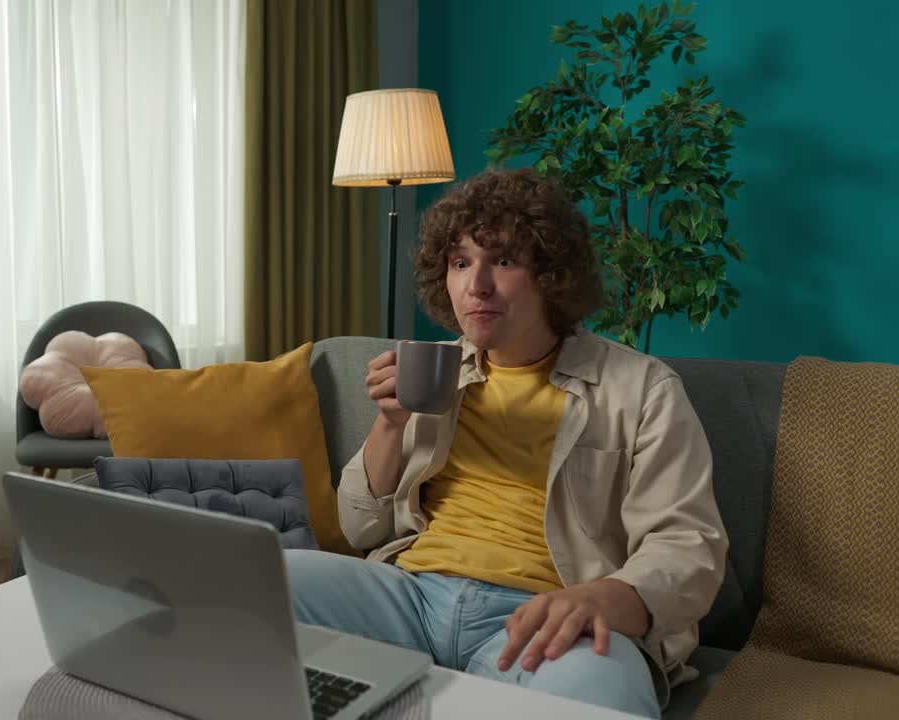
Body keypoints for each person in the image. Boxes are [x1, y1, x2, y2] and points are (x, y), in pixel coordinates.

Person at [286, 168, 727, 718]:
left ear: (551, 275)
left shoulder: (642, 389)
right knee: (264, 585)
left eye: (505, 261)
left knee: (601, 697)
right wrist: (391, 425)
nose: (477, 286)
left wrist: (602, 599)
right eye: (461, 263)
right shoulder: (440, 371)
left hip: (544, 616)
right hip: (410, 595)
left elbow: (689, 546)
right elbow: (359, 529)